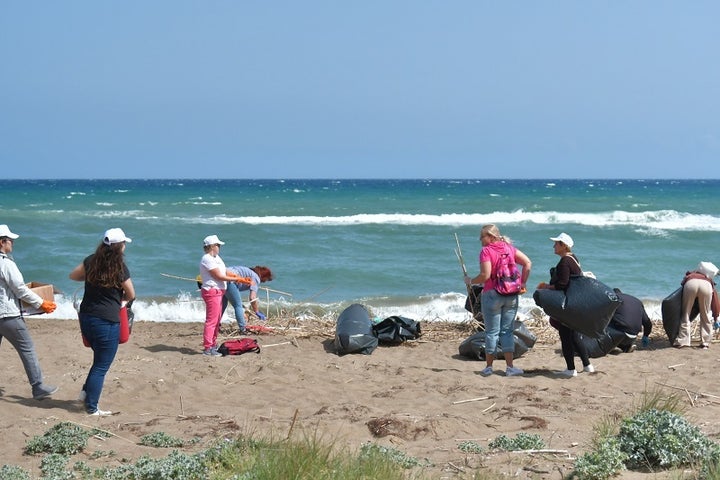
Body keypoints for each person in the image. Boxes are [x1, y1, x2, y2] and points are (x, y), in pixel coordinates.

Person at [69, 227, 135, 415]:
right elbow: (131, 294)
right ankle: (92, 408)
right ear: (119, 247)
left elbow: (73, 276)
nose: (124, 247)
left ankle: (84, 393)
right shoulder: (119, 267)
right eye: (123, 243)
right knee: (101, 366)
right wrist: (121, 300)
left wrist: (91, 276)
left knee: (98, 362)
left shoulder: (91, 261)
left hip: (87, 317)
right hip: (106, 321)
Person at [464, 224, 531, 377]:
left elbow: (485, 276)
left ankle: (488, 367)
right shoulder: (509, 248)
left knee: (492, 332)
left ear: (491, 237)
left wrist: (470, 281)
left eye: (482, 236)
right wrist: (523, 283)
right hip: (511, 295)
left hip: (492, 294)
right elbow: (528, 263)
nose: (480, 239)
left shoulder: (486, 251)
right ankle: (510, 367)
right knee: (507, 331)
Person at [0, 224, 58, 400]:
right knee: (27, 349)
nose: (12, 244)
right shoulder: (6, 263)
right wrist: (42, 304)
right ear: (2, 242)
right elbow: (20, 290)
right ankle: (38, 387)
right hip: (8, 316)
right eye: (10, 240)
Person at [536, 232, 595, 378]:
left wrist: (545, 287)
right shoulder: (573, 259)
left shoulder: (564, 262)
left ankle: (571, 369)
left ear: (563, 246)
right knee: (574, 335)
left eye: (556, 243)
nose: (554, 246)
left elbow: (562, 285)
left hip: (568, 304)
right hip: (576, 303)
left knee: (566, 335)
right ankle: (587, 365)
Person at [198, 234, 243, 356]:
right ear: (212, 246)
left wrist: (237, 277)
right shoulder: (207, 258)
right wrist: (235, 279)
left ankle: (212, 344)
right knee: (212, 321)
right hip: (212, 291)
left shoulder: (216, 258)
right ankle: (208, 348)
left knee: (217, 320)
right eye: (217, 245)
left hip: (219, 291)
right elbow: (218, 275)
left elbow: (224, 271)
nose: (219, 247)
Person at [674, 261, 720, 349]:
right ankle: (705, 342)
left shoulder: (691, 274)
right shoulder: (708, 279)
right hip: (706, 287)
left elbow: (682, 284)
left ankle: (684, 341)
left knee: (686, 313)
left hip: (691, 284)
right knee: (705, 314)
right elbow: (715, 301)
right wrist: (716, 316)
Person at [223, 265, 274, 333]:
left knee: (222, 305)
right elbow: (252, 298)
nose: (264, 282)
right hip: (231, 280)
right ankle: (243, 329)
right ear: (264, 276)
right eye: (266, 279)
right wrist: (257, 311)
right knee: (238, 306)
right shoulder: (256, 278)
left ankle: (216, 325)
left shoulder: (249, 272)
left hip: (222, 278)